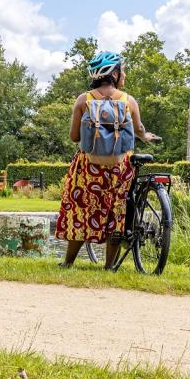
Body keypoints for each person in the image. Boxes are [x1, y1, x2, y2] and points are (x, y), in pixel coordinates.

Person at [56, 51, 158, 268]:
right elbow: (139, 129)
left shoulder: (84, 100)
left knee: (82, 209)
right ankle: (109, 265)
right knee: (117, 211)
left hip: (88, 168)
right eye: (123, 71)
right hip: (119, 168)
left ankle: (68, 262)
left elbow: (74, 137)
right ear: (114, 73)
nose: (125, 75)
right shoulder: (128, 101)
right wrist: (145, 135)